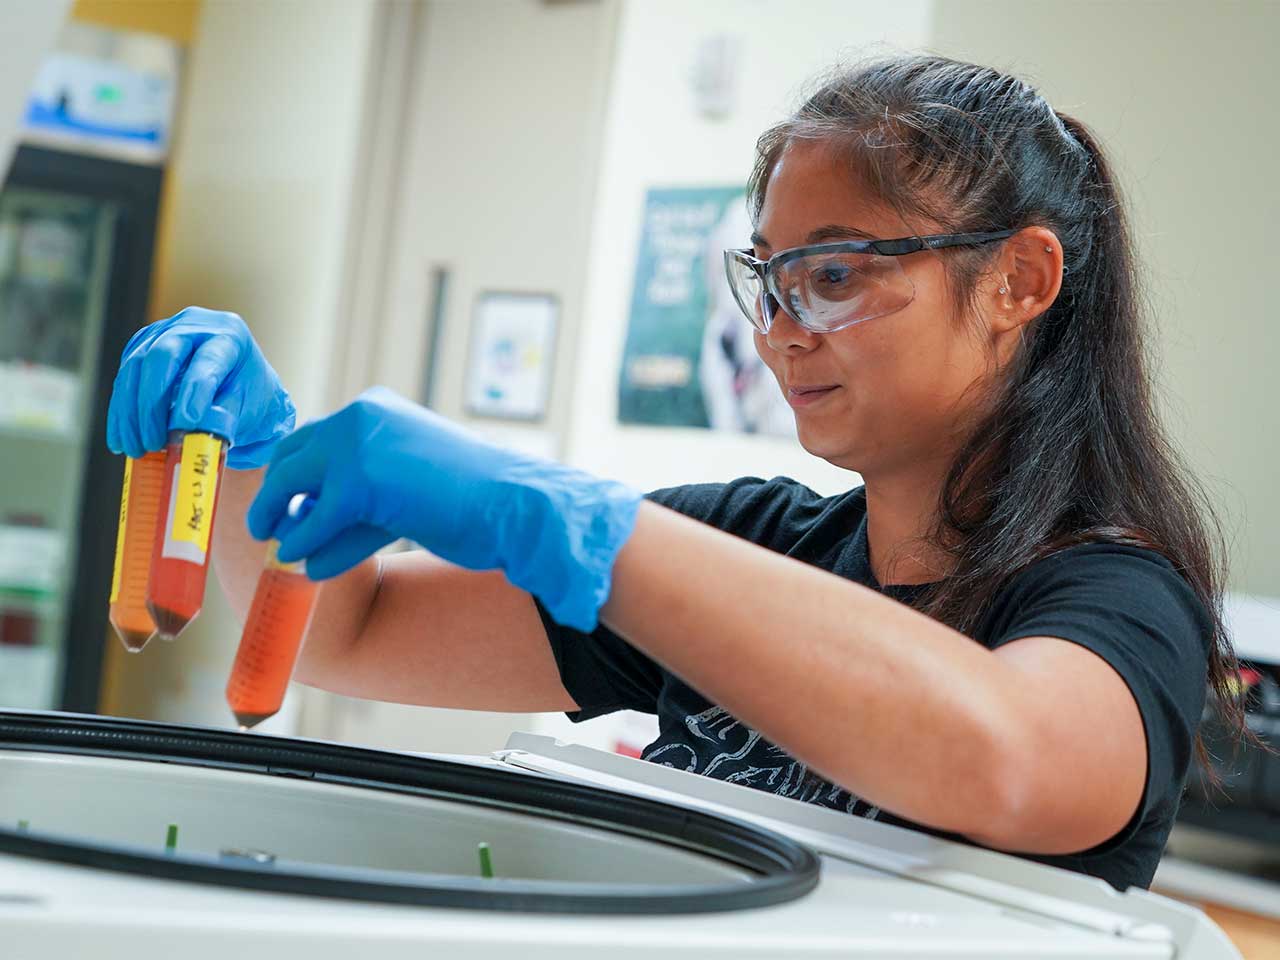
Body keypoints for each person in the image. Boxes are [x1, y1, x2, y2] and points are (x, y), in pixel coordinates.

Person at [106, 54, 1240, 892]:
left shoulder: (1117, 599)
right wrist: (249, 454)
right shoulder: (753, 544)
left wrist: (575, 523)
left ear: (1018, 281)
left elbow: (1003, 760)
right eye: (771, 278)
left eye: (834, 276)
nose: (779, 332)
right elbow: (352, 634)